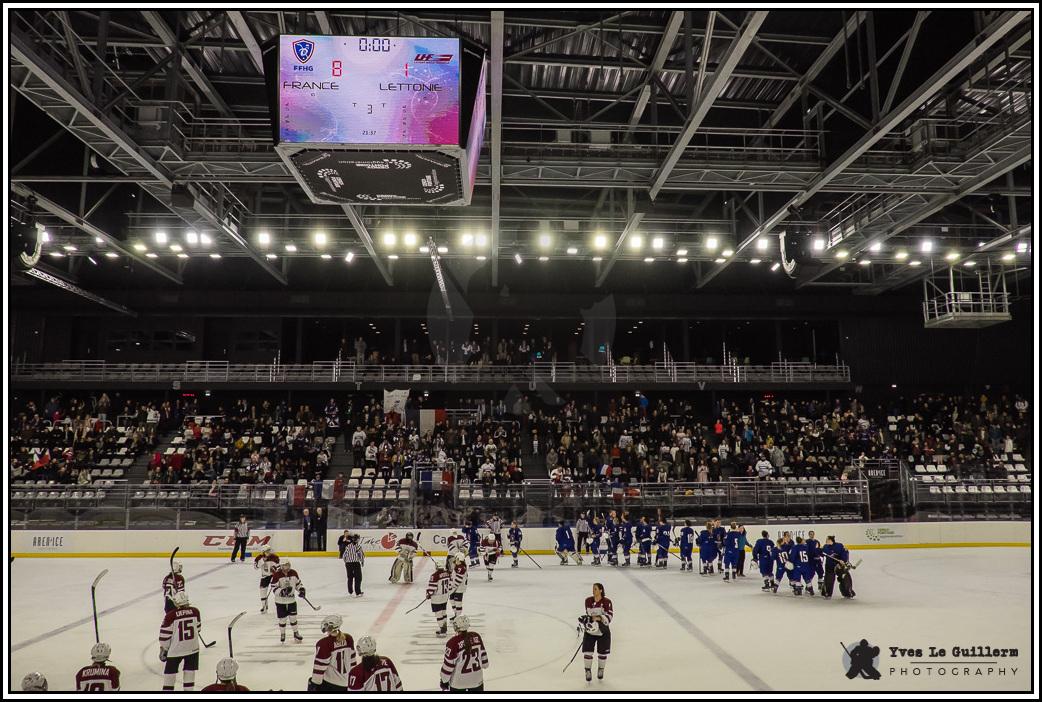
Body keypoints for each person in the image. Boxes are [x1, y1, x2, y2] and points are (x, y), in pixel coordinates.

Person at [159, 591, 201, 690]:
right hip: (193, 648)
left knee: (170, 676)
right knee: (189, 674)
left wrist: (164, 649)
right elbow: (198, 629)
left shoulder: (171, 615)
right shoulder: (195, 611)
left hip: (175, 650)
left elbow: (164, 636)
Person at [440, 615, 489, 692]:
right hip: (476, 681)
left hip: (458, 683)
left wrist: (444, 681)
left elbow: (448, 666)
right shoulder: (476, 636)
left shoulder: (452, 642)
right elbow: (485, 664)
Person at [308, 614, 356, 691]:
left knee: (311, 682)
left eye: (327, 625)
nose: (325, 626)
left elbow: (320, 668)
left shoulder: (324, 643)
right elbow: (353, 662)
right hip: (346, 683)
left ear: (331, 627)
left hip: (331, 684)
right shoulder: (348, 638)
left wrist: (314, 685)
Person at [579, 583, 613, 682]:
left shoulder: (607, 602)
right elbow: (589, 614)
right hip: (591, 630)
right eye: (593, 589)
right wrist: (586, 620)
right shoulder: (588, 600)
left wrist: (598, 617)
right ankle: (587, 670)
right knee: (588, 651)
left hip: (603, 630)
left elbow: (609, 617)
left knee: (603, 652)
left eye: (595, 589)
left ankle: (601, 669)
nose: (593, 591)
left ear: (601, 590)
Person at [270, 561, 305, 643]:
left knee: (293, 617)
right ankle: (282, 633)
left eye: (288, 565)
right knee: (282, 619)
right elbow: (274, 588)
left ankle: (296, 633)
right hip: (280, 601)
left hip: (291, 600)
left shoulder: (293, 572)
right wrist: (282, 592)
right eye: (285, 565)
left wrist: (301, 589)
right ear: (281, 566)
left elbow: (298, 584)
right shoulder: (277, 575)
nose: (287, 567)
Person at [426, 565, 454, 636]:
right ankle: (445, 627)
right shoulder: (448, 574)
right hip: (445, 597)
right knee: (443, 613)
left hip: (436, 598)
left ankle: (442, 630)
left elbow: (432, 587)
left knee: (438, 614)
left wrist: (429, 594)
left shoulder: (434, 575)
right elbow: (450, 585)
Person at [254, 545, 280, 613]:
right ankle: (264, 607)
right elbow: (256, 567)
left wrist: (275, 569)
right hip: (265, 576)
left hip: (274, 576)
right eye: (267, 551)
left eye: (269, 550)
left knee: (277, 590)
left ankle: (280, 605)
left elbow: (279, 567)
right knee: (262, 591)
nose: (269, 552)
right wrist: (262, 561)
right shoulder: (259, 558)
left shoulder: (275, 557)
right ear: (263, 552)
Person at [342, 533, 365, 597]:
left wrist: (346, 562)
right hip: (355, 563)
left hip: (348, 564)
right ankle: (358, 592)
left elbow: (344, 555)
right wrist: (362, 561)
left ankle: (350, 592)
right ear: (357, 539)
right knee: (358, 578)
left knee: (350, 577)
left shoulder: (348, 546)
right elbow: (361, 555)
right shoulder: (358, 546)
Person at [449, 552, 468, 620]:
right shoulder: (458, 566)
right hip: (455, 587)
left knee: (458, 603)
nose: (455, 560)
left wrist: (452, 587)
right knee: (451, 599)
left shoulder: (461, 568)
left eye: (456, 559)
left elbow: (458, 580)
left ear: (459, 559)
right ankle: (456, 614)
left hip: (459, 588)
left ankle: (458, 617)